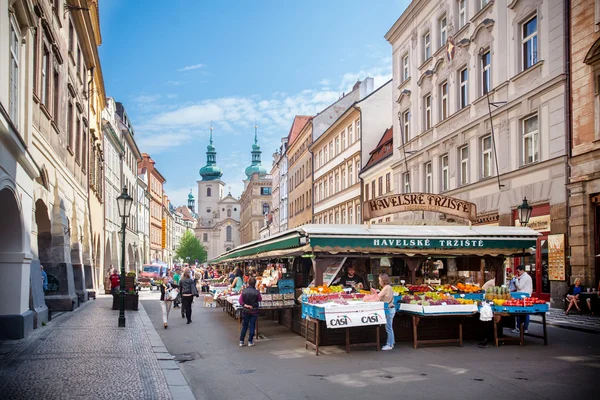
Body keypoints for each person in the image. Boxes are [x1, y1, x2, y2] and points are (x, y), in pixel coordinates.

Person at [371, 273, 395, 351]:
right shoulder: (388, 287)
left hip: (389, 309)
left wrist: (374, 293)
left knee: (388, 328)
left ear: (383, 280)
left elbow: (378, 297)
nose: (379, 282)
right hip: (391, 309)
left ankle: (389, 344)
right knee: (389, 327)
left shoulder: (386, 288)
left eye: (380, 280)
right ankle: (392, 342)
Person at [239, 277, 262, 347]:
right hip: (254, 311)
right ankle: (250, 341)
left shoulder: (244, 291)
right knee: (252, 325)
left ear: (248, 283)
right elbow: (260, 299)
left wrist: (246, 305)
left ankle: (241, 341)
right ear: (255, 284)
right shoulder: (256, 292)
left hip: (245, 311)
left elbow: (240, 301)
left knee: (244, 326)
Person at [512, 265, 533, 334]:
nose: (518, 273)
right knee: (525, 313)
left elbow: (520, 286)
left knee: (521, 313)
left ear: (522, 270)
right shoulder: (526, 277)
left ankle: (520, 328)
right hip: (525, 296)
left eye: (518, 271)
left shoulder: (525, 277)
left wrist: (516, 280)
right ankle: (524, 328)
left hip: (523, 297)